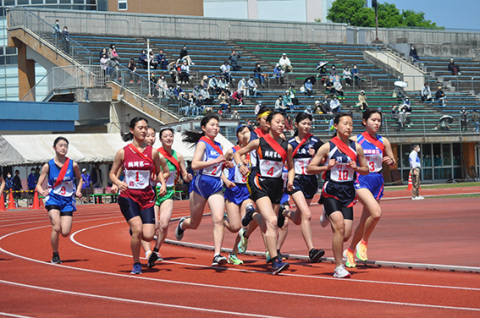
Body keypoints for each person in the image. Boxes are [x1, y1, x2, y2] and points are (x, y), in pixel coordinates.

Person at [307, 113, 369, 278]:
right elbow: (310, 168)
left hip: (348, 191)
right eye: (345, 124)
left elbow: (366, 169)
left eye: (350, 124)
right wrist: (326, 167)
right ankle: (338, 267)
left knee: (346, 234)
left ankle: (326, 214)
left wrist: (357, 168)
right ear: (335, 126)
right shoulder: (328, 147)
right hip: (331, 190)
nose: (348, 127)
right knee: (339, 227)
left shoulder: (357, 147)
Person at [233, 111, 294, 275]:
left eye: (283, 122)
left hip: (277, 186)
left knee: (270, 223)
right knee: (272, 221)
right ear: (269, 124)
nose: (281, 125)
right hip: (260, 183)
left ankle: (251, 214)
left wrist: (290, 180)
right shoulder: (258, 142)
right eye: (277, 122)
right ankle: (275, 260)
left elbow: (291, 166)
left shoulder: (286, 146)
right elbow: (237, 153)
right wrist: (240, 166)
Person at [109, 117, 167, 274]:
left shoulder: (153, 152)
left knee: (148, 235)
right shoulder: (123, 152)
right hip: (128, 197)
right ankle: (136, 263)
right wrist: (118, 183)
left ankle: (136, 232)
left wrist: (162, 184)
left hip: (147, 197)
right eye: (140, 127)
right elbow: (112, 173)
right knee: (137, 229)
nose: (144, 130)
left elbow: (159, 170)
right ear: (132, 130)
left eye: (145, 128)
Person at [175, 114, 234, 266]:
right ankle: (183, 224)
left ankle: (217, 254)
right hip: (200, 185)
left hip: (215, 185)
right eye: (212, 125)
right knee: (194, 223)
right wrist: (217, 160)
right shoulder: (202, 143)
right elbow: (194, 165)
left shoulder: (219, 146)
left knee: (219, 219)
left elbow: (216, 167)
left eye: (218, 125)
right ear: (203, 128)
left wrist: (224, 165)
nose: (216, 128)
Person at [344, 109, 395, 269]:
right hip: (360, 179)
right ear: (365, 121)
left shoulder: (384, 141)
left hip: (377, 180)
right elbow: (337, 149)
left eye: (379, 120)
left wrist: (390, 161)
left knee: (367, 219)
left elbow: (394, 164)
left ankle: (351, 250)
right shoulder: (355, 139)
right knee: (377, 213)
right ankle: (364, 242)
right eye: (373, 120)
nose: (377, 123)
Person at [278, 112, 326, 262]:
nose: (307, 126)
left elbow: (326, 159)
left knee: (298, 219)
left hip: (311, 182)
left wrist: (316, 156)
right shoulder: (290, 143)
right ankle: (311, 250)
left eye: (309, 124)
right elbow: (284, 162)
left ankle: (284, 212)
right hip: (296, 181)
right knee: (307, 214)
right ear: (297, 125)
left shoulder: (316, 142)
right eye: (304, 123)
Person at [148, 127, 192, 267]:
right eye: (165, 136)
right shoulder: (155, 154)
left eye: (170, 136)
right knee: (153, 225)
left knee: (165, 224)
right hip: (154, 192)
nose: (168, 138)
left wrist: (187, 177)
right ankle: (147, 250)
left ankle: (155, 251)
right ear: (160, 139)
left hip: (168, 192)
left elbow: (184, 175)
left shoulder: (178, 156)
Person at [36, 137, 83, 264]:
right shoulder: (48, 166)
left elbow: (80, 178)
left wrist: (78, 190)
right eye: (61, 145)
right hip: (53, 199)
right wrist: (42, 192)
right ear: (54, 148)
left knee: (65, 232)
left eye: (65, 146)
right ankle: (55, 254)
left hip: (68, 200)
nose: (63, 148)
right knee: (56, 227)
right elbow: (38, 185)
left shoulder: (73, 165)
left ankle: (56, 250)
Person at [221, 124, 255, 265]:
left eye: (247, 132)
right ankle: (221, 218)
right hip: (233, 190)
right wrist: (226, 180)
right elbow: (218, 167)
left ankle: (233, 254)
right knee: (234, 227)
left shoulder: (254, 152)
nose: (244, 135)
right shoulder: (231, 151)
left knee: (245, 223)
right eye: (241, 133)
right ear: (237, 136)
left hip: (247, 191)